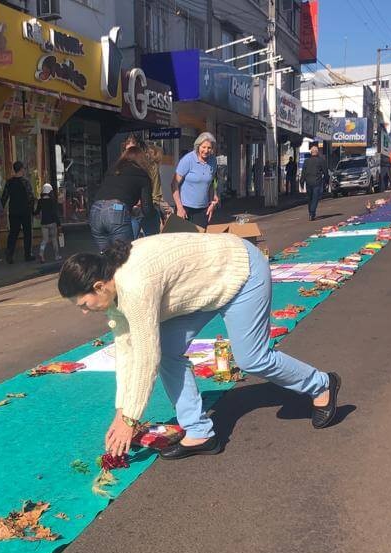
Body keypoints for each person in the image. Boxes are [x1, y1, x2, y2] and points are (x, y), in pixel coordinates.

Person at [57, 233, 341, 460]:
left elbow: (145, 357)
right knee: (169, 350)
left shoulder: (133, 286)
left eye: (83, 304)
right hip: (204, 287)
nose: (84, 312)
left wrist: (130, 419)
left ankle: (321, 384)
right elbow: (127, 351)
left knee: (252, 358)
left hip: (241, 272)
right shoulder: (112, 287)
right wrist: (122, 412)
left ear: (98, 287)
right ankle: (199, 432)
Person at [89, 145, 154, 252]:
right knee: (124, 256)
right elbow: (147, 208)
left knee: (106, 256)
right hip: (116, 210)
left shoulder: (113, 169)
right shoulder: (142, 175)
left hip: (96, 210)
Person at [172, 132, 219, 229]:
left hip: (202, 209)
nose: (206, 150)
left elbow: (214, 179)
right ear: (198, 146)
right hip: (185, 207)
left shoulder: (213, 161)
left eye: (209, 148)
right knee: (184, 240)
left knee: (200, 240)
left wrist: (214, 195)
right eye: (203, 147)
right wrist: (180, 208)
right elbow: (174, 184)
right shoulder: (188, 160)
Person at [1, 161, 35, 264]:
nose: (24, 170)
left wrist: (1, 209)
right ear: (21, 169)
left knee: (13, 233)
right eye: (23, 168)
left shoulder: (9, 182)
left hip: (13, 211)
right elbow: (30, 197)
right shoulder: (25, 182)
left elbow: (4, 197)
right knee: (27, 233)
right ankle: (27, 255)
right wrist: (32, 210)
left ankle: (10, 254)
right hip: (25, 211)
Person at [299, 144, 329, 221]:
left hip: (308, 182)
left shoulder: (306, 161)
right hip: (317, 182)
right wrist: (327, 181)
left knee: (310, 198)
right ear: (317, 152)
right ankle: (312, 213)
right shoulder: (321, 160)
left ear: (311, 152)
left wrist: (302, 182)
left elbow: (303, 173)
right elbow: (325, 172)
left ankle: (310, 213)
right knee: (315, 198)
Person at [35, 183, 62, 263]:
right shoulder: (52, 201)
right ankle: (57, 256)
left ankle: (41, 254)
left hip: (44, 223)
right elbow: (55, 213)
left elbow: (37, 212)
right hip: (52, 222)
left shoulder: (40, 201)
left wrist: (34, 213)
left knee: (44, 240)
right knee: (54, 239)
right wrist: (59, 224)